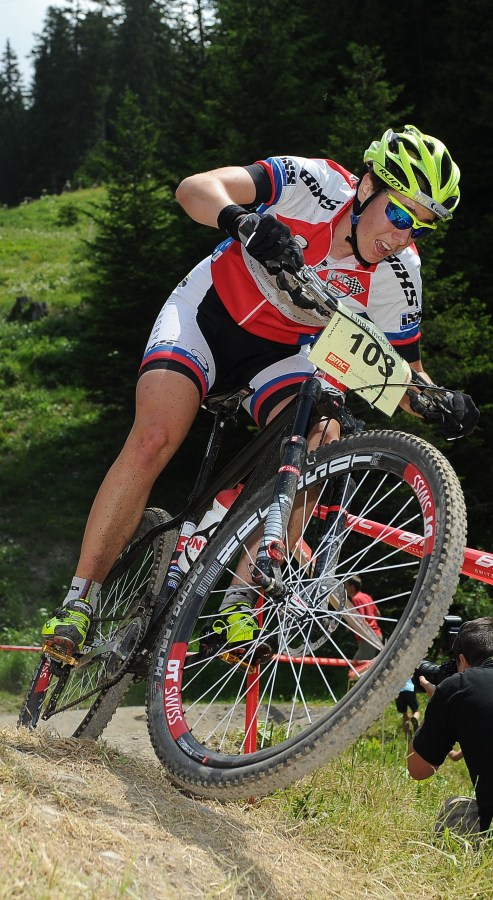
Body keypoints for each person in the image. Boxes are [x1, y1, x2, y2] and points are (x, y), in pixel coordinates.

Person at [41, 124, 479, 656]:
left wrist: (439, 402)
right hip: (207, 317)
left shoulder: (400, 272)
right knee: (154, 437)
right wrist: (242, 220)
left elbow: (402, 373)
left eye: (420, 228)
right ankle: (79, 602)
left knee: (323, 436)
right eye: (401, 215)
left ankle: (238, 599)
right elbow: (194, 188)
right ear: (367, 187)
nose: (403, 237)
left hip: (281, 354)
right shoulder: (314, 184)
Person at [408, 618, 493, 838]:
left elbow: (418, 770)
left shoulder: (459, 686)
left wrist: (439, 702)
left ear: (462, 661)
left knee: (454, 809)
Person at [345, 575, 383, 661]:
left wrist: (349, 626)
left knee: (363, 667)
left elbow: (360, 619)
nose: (345, 589)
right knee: (355, 666)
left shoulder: (356, 599)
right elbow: (377, 614)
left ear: (352, 587)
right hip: (376, 635)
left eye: (346, 586)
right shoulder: (366, 596)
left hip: (368, 638)